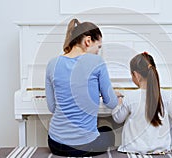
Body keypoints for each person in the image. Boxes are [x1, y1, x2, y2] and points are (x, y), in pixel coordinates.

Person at [45, 18, 119, 157]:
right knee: (108, 132)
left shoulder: (52, 63)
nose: (98, 52)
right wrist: (110, 94)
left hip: (54, 143)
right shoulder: (96, 62)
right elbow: (112, 103)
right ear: (88, 40)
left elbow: (52, 108)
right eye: (98, 47)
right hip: (84, 146)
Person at [112, 52, 172, 154]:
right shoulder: (165, 95)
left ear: (136, 75)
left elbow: (118, 118)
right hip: (160, 149)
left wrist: (118, 102)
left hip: (134, 149)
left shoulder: (131, 97)